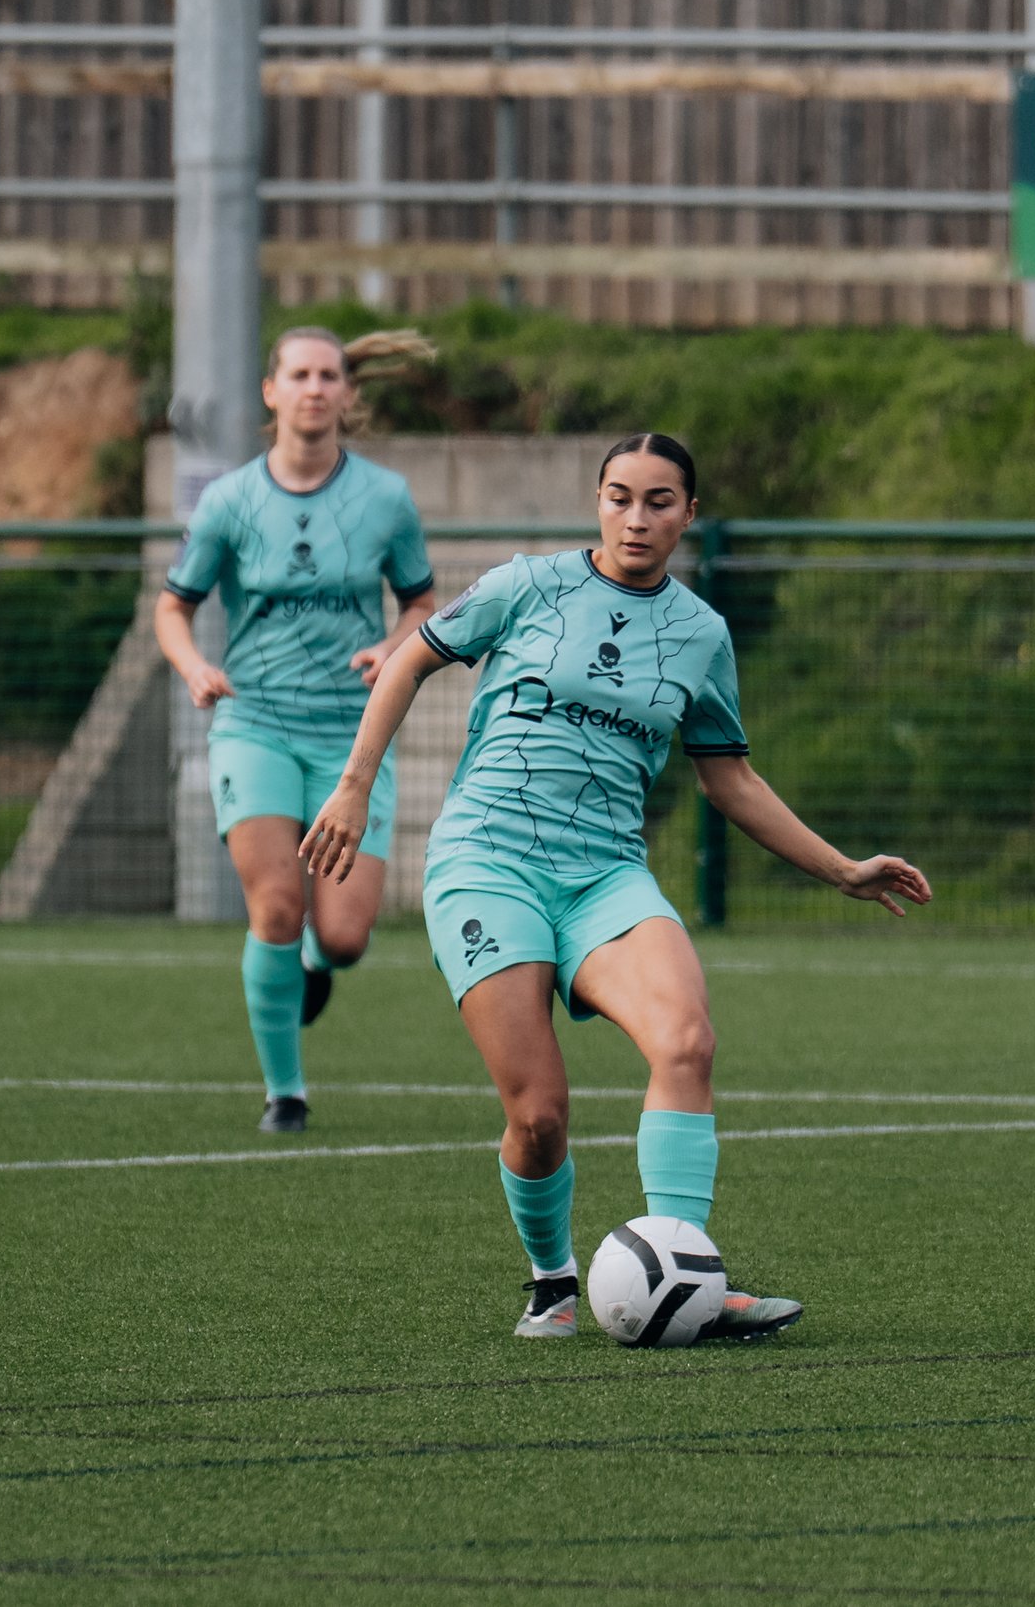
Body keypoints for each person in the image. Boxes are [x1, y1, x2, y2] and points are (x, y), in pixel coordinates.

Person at [300, 433, 932, 1339]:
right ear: (598, 500)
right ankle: (552, 1280)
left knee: (686, 1040)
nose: (637, 518)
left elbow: (731, 779)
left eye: (659, 501)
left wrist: (841, 868)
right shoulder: (527, 585)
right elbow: (408, 660)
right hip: (487, 863)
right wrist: (355, 786)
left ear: (689, 515)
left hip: (606, 875)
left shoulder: (701, 633)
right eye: (620, 496)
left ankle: (690, 1273)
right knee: (540, 1116)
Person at [154, 326, 438, 1134]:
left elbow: (421, 602)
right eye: (300, 375)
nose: (315, 388)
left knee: (343, 936)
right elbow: (173, 607)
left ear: (348, 393)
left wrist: (393, 645)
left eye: (329, 375)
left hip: (353, 737)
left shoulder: (386, 498)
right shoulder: (229, 500)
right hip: (256, 726)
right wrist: (193, 667)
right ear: (271, 392)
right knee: (277, 906)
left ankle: (316, 963)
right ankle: (285, 1091)